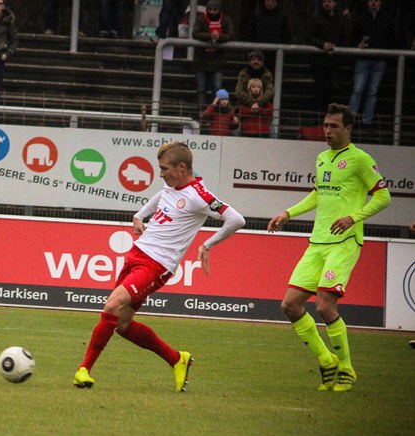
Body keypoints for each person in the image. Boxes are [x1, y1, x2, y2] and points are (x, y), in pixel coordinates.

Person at [73, 141, 246, 392]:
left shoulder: (199, 196)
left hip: (156, 265)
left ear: (182, 167)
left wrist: (207, 244)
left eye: (165, 169)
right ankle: (177, 359)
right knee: (122, 324)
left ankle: (84, 370)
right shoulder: (171, 186)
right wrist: (139, 215)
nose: (161, 174)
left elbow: (236, 219)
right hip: (136, 254)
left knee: (112, 305)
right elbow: (162, 195)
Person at [266, 103, 391, 392]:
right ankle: (326, 359)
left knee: (324, 305)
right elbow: (317, 194)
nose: (327, 131)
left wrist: (353, 218)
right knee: (289, 305)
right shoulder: (322, 158)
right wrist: (288, 213)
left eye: (333, 126)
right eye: (325, 125)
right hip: (317, 242)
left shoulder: (361, 159)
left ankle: (347, 368)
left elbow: (383, 197)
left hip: (344, 243)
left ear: (348, 128)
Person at [348, 0, 395, 126]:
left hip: (379, 59)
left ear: (380, 2)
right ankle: (351, 119)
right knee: (358, 89)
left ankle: (366, 120)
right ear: (368, 2)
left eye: (376, 0)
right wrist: (357, 45)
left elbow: (391, 38)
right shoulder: (361, 18)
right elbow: (352, 36)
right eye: (371, 0)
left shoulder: (387, 19)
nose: (374, 3)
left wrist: (385, 53)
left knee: (371, 90)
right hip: (363, 58)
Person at [307, 0, 349, 115]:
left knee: (334, 86)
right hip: (319, 60)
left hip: (334, 60)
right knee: (320, 88)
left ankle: (326, 110)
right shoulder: (316, 18)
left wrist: (339, 47)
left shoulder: (339, 20)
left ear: (335, 3)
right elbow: (309, 37)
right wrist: (322, 44)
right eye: (324, 1)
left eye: (329, 1)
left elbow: (343, 37)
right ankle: (319, 115)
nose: (327, 4)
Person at [192, 0, 234, 111]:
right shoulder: (201, 19)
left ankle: (216, 112)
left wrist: (219, 37)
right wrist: (210, 36)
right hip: (202, 60)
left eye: (215, 10)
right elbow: (195, 33)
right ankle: (202, 111)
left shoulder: (225, 20)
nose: (212, 12)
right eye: (210, 9)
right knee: (201, 89)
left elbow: (230, 35)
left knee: (217, 89)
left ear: (219, 10)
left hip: (217, 61)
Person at [244, 0, 292, 72]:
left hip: (275, 55)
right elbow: (250, 33)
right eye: (268, 0)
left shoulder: (282, 16)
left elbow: (286, 35)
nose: (270, 3)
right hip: (258, 54)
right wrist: (252, 50)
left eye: (273, 1)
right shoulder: (256, 15)